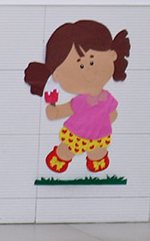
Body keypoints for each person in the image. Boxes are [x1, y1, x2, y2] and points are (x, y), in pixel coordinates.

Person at [23, 19, 130, 175]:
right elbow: (68, 109)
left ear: (112, 55)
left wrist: (105, 120)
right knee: (67, 149)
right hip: (77, 133)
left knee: (98, 151)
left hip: (99, 133)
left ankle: (97, 161)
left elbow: (113, 113)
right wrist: (56, 112)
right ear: (57, 74)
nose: (88, 71)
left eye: (92, 62)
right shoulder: (81, 101)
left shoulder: (106, 98)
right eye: (81, 65)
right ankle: (60, 159)